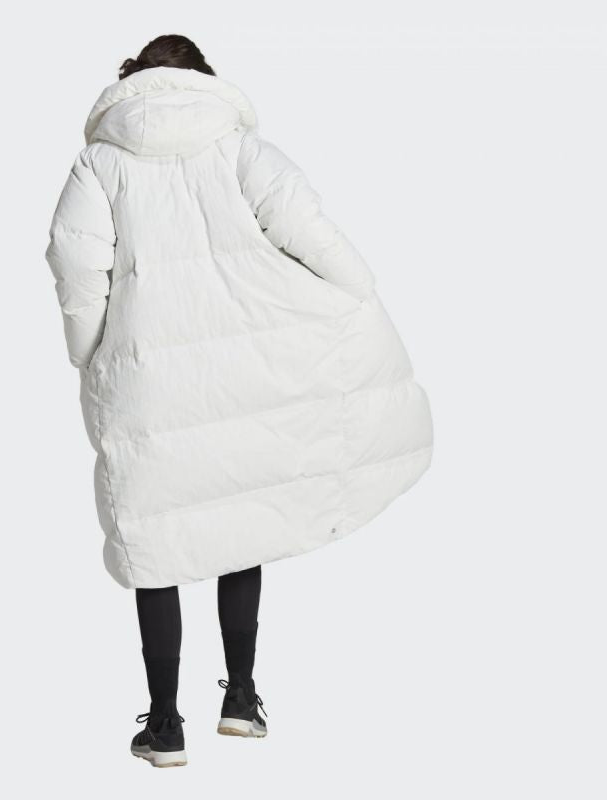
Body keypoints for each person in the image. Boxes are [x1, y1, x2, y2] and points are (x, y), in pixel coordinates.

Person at [44, 34, 433, 768]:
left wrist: (89, 349)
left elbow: (75, 262)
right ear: (202, 77)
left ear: (134, 80)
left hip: (148, 371)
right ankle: (242, 700)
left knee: (155, 536)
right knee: (239, 520)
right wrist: (355, 293)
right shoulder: (239, 148)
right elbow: (310, 231)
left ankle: (165, 726)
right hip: (244, 368)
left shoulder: (99, 161)